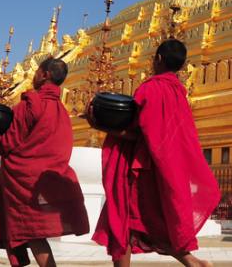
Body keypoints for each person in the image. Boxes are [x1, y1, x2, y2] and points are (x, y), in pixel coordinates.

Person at [91, 39, 220, 267]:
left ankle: (193, 262)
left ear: (158, 59)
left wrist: (99, 124)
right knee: (148, 225)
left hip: (140, 171)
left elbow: (139, 134)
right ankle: (192, 262)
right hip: (164, 169)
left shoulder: (151, 89)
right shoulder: (179, 93)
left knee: (123, 222)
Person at [0, 57, 89, 267]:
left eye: (37, 71)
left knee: (32, 233)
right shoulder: (63, 113)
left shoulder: (30, 105)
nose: (34, 75)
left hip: (21, 181)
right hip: (38, 180)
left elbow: (7, 143)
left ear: (45, 74)